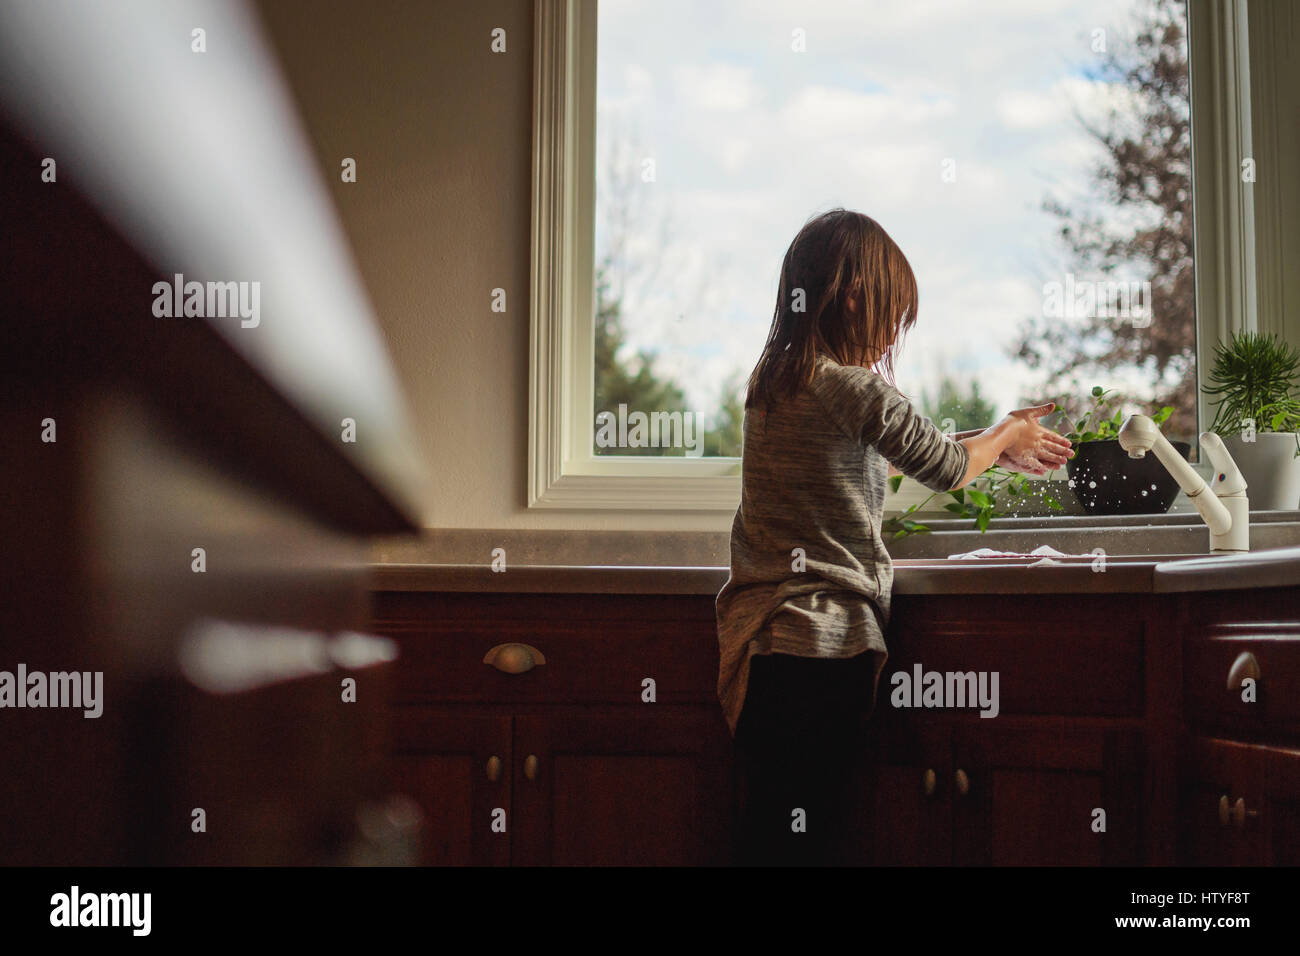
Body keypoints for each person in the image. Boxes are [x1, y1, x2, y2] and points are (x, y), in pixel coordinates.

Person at [716, 208, 1072, 866]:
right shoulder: (857, 390)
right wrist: (1007, 435)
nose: (890, 340)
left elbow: (905, 452)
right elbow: (945, 466)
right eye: (891, 316)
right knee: (807, 836)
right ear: (853, 296)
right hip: (823, 648)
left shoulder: (776, 385)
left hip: (760, 648)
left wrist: (997, 445)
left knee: (769, 832)